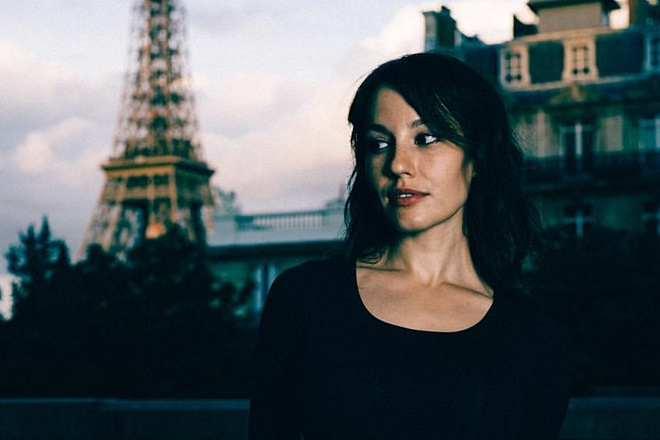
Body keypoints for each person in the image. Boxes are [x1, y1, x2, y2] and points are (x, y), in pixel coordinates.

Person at [248, 53, 572, 440]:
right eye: (378, 144)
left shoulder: (536, 338)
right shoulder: (305, 297)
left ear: (478, 155)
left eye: (426, 139)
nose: (398, 164)